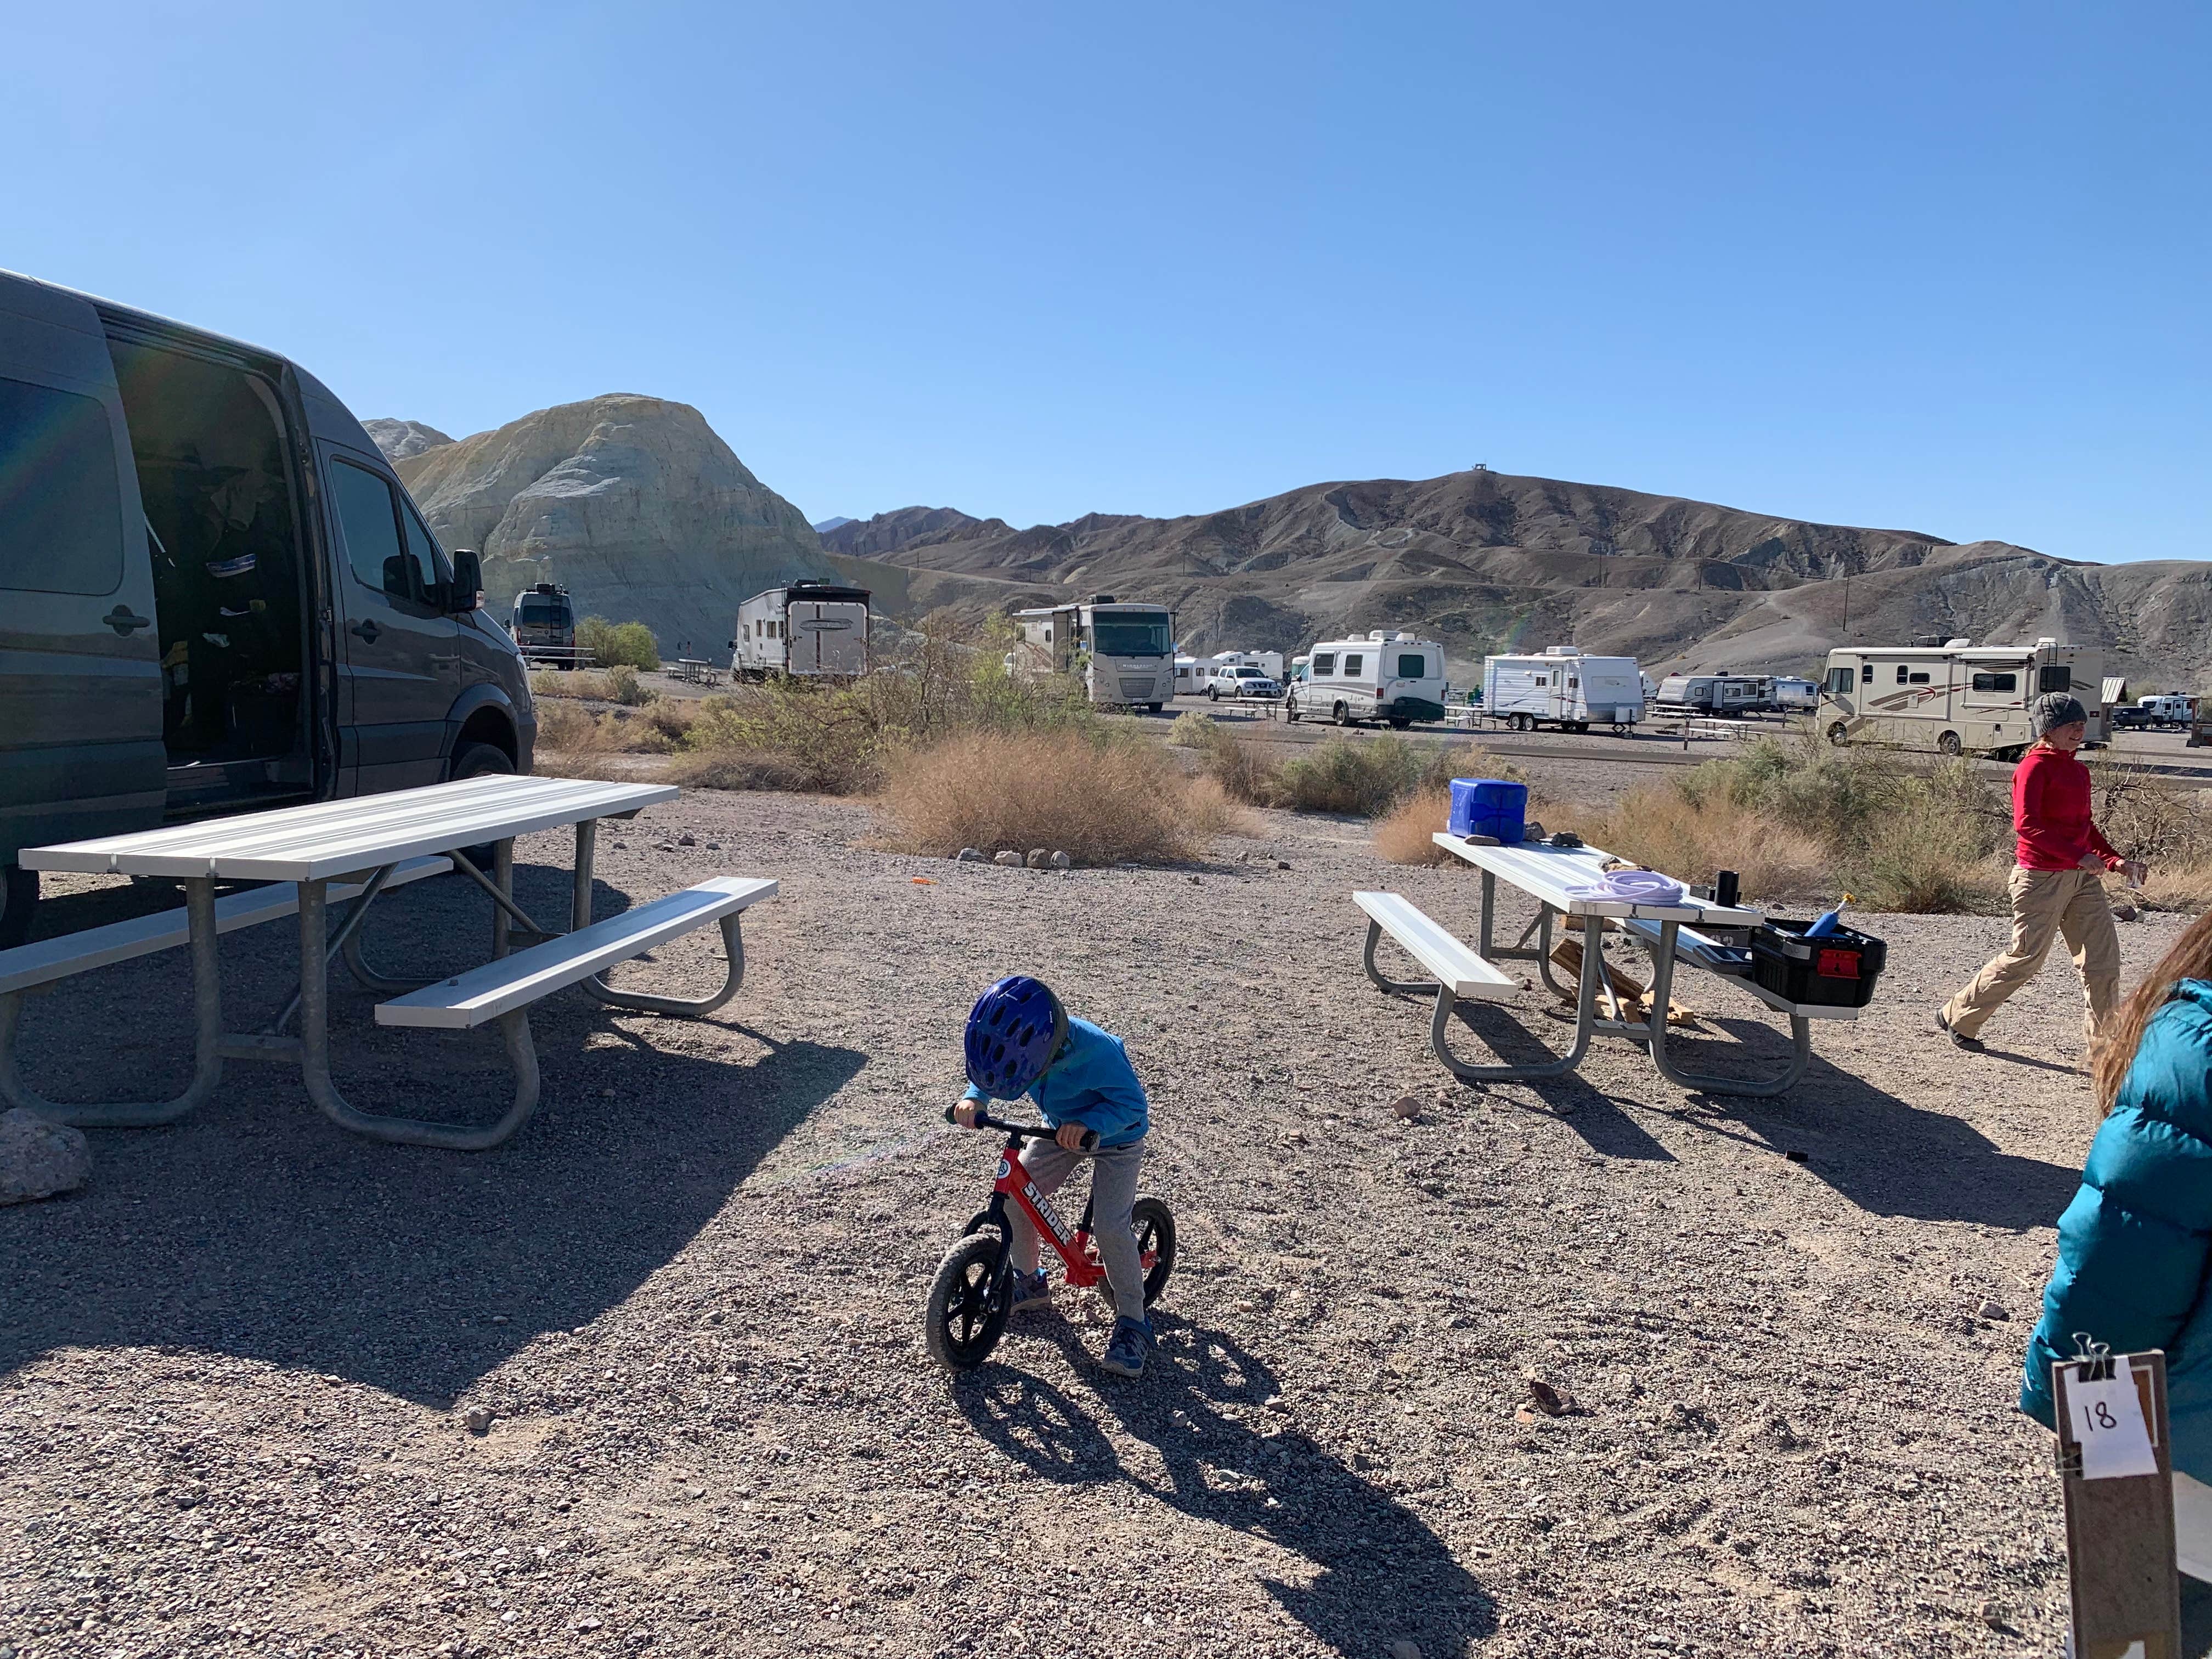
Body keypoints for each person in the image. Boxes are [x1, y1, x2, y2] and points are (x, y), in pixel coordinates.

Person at [2021, 909, 2212, 1635]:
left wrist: (2101, 1454)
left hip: (2192, 1494)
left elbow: (2121, 1276)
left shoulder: (2192, 1053)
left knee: (2129, 1635)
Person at [951, 975, 1155, 1378]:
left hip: (1116, 1137)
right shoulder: (1027, 1042)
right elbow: (994, 1064)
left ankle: (1134, 1320)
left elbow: (1134, 1105)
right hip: (1059, 1131)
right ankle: (1029, 1281)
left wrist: (1091, 1122)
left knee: (1111, 1226)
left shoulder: (1099, 1050)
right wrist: (975, 1097)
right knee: (1016, 1194)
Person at [1937, 692, 2146, 1052]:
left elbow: (2086, 827)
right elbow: (2028, 826)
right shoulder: (2033, 768)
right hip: (2040, 877)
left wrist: (2114, 861)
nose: (2079, 730)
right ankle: (1958, 1015)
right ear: (2048, 730)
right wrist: (2078, 856)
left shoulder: (2079, 770)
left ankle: (2104, 1051)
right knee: (2026, 958)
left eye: (2082, 724)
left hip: (2081, 878)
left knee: (2103, 961)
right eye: (2070, 725)